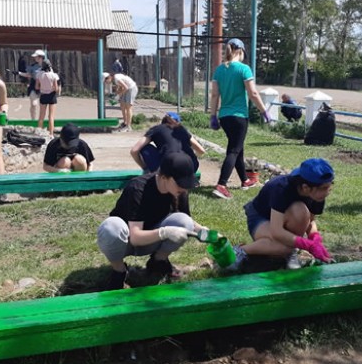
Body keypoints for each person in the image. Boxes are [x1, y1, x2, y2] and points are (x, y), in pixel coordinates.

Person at [97, 151, 210, 290]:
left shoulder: (178, 191)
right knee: (111, 227)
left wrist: (202, 231)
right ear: (163, 177)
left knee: (185, 221)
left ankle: (158, 261)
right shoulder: (138, 188)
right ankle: (119, 271)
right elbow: (135, 238)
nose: (184, 187)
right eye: (180, 183)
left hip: (151, 241)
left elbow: (188, 222)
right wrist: (165, 232)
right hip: (124, 242)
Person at [229, 158, 335, 272]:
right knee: (283, 247)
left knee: (301, 213)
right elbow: (277, 231)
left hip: (283, 220)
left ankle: (289, 251)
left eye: (329, 186)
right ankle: (240, 250)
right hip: (261, 217)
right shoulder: (281, 188)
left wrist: (315, 239)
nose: (328, 191)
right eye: (324, 188)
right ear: (305, 187)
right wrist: (307, 245)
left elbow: (310, 222)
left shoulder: (318, 196)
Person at [209, 38, 271, 199]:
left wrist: (213, 116)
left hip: (224, 117)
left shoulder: (219, 70)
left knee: (238, 148)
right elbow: (253, 93)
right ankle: (221, 185)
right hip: (239, 117)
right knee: (234, 150)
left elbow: (215, 95)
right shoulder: (244, 69)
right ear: (240, 51)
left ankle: (245, 180)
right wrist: (264, 111)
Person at [130, 112, 205, 173]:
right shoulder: (182, 130)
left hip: (169, 169)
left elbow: (134, 150)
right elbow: (201, 150)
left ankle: (154, 172)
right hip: (191, 167)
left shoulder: (156, 129)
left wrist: (144, 167)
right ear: (178, 123)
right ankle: (186, 175)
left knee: (145, 148)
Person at [17, 50, 45, 120]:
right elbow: (28, 75)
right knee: (34, 104)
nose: (35, 58)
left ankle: (41, 121)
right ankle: (33, 120)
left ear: (41, 57)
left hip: (44, 87)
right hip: (34, 86)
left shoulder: (47, 66)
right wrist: (19, 73)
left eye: (36, 57)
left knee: (43, 106)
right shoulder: (32, 66)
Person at [36, 60, 61, 135]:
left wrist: (43, 87)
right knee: (51, 116)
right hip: (52, 95)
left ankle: (39, 133)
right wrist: (51, 88)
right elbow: (56, 88)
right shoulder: (54, 75)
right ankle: (51, 134)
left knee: (41, 116)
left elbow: (37, 87)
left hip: (43, 95)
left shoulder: (39, 74)